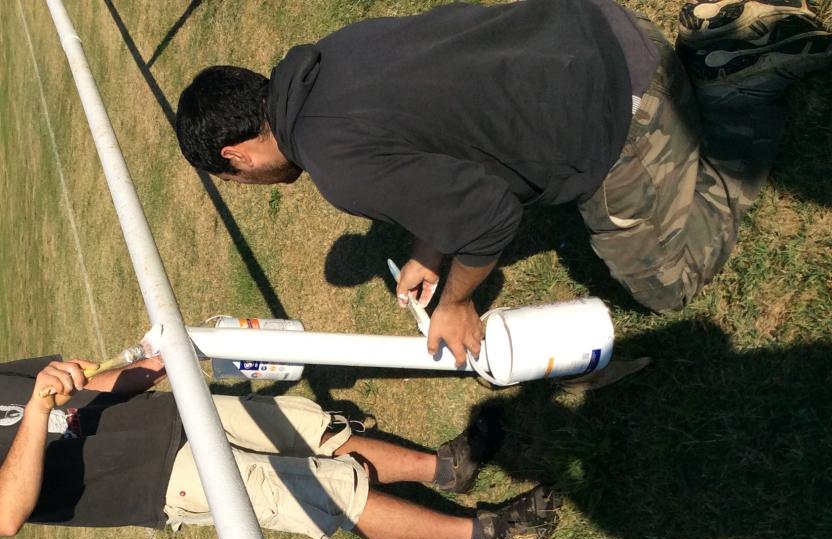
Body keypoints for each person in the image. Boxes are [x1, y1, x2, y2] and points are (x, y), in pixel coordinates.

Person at [175, 0, 830, 364]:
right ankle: (707, 47)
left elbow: (491, 220)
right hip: (602, 26)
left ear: (237, 156)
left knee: (666, 284)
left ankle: (738, 72)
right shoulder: (327, 56)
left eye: (234, 179)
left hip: (618, 111)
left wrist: (458, 303)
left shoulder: (335, 162)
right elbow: (445, 133)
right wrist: (431, 249)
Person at [0, 346, 560, 539]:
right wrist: (34, 415)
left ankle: (447, 467)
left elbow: (90, 383)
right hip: (159, 479)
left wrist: (154, 366)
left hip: (171, 413)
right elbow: (2, 515)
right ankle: (487, 536)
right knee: (319, 490)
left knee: (314, 430)